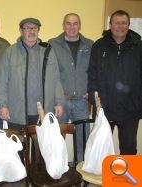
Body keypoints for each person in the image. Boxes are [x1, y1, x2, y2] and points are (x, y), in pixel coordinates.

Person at [88, 10, 142, 155]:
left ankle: (128, 178)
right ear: (110, 25)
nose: (120, 26)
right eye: (116, 22)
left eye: (124, 23)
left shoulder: (138, 47)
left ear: (129, 25)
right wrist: (95, 102)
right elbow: (92, 75)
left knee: (129, 149)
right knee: (101, 149)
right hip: (104, 108)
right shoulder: (99, 46)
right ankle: (100, 178)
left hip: (130, 109)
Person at [0, 17, 65, 130]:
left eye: (34, 28)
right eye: (27, 28)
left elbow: (56, 79)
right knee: (18, 146)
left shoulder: (48, 51)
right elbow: (2, 81)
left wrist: (59, 102)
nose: (31, 31)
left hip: (43, 112)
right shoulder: (10, 52)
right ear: (21, 31)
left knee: (40, 147)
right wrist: (2, 106)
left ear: (38, 30)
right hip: (17, 113)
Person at [49, 13, 93, 162]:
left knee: (83, 141)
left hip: (81, 101)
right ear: (63, 25)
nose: (72, 27)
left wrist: (90, 90)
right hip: (61, 102)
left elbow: (94, 70)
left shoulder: (90, 45)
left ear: (79, 26)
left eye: (75, 24)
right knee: (56, 140)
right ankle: (58, 171)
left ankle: (81, 172)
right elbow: (50, 73)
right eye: (68, 23)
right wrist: (55, 98)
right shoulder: (53, 44)